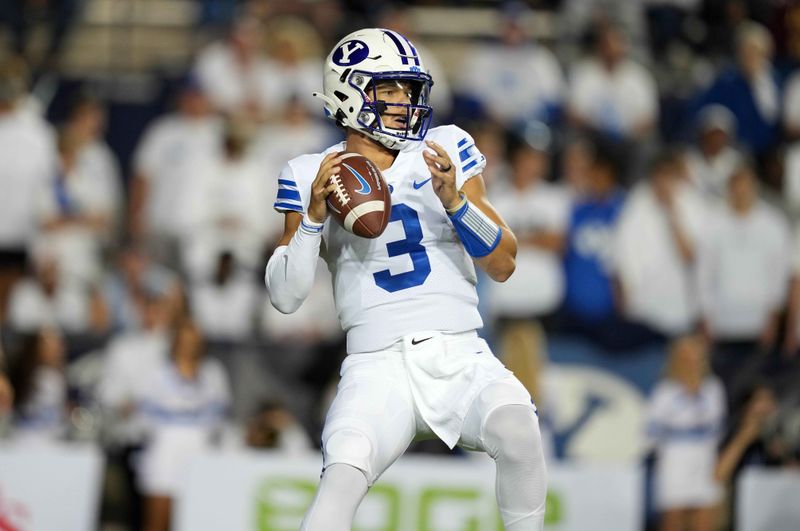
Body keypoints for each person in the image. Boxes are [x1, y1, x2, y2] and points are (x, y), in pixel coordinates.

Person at [265, 28, 547, 530]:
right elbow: (285, 297)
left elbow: (504, 262)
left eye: (407, 90)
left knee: (519, 429)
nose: (404, 102)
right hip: (376, 364)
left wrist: (455, 203)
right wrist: (311, 218)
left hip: (459, 350)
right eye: (389, 90)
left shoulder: (444, 147)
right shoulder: (312, 170)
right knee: (342, 478)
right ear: (349, 92)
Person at [645, 335, 726, 531]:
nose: (692, 364)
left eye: (696, 358)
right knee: (673, 519)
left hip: (705, 460)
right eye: (686, 358)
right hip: (674, 462)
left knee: (705, 519)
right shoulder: (665, 391)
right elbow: (650, 431)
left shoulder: (713, 389)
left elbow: (718, 426)